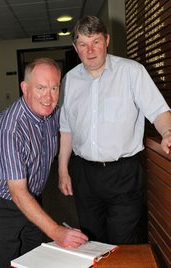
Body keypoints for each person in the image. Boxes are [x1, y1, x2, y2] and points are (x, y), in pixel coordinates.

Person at [58, 16, 171, 245]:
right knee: (92, 242)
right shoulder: (69, 81)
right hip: (85, 175)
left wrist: (167, 132)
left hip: (124, 174)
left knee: (123, 242)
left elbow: (158, 111)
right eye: (83, 44)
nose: (90, 51)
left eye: (96, 42)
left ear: (107, 40)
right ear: (75, 47)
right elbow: (66, 129)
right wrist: (62, 171)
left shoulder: (132, 72)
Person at [0, 57, 88, 268]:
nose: (48, 97)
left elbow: (69, 128)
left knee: (36, 256)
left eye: (54, 88)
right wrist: (56, 231)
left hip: (32, 196)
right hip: (1, 201)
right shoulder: (9, 129)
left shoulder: (51, 113)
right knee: (5, 259)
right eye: (41, 88)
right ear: (25, 88)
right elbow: (18, 193)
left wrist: (63, 171)